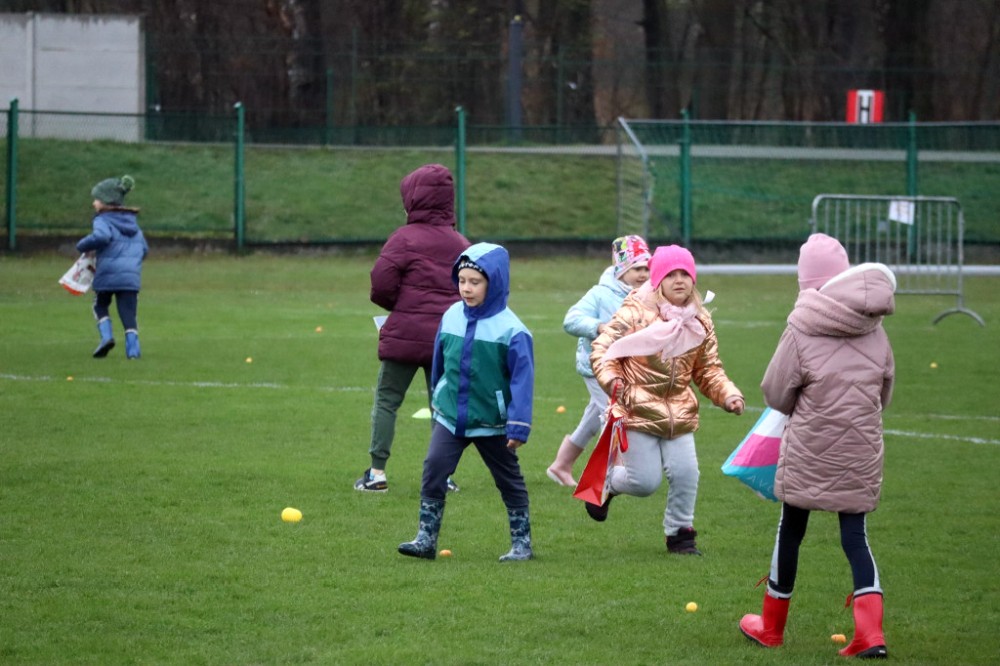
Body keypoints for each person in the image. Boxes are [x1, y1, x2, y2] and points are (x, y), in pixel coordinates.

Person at [738, 233, 895, 659]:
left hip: (810, 446)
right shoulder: (875, 326)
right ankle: (871, 633)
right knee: (855, 536)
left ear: (805, 280)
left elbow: (775, 392)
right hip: (862, 448)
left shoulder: (802, 325)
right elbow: (885, 392)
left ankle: (771, 626)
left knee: (790, 531)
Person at [588, 245, 745, 555]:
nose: (679, 280)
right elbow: (604, 351)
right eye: (671, 274)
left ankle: (680, 534)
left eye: (685, 274)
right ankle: (607, 484)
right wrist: (616, 384)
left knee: (687, 473)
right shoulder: (634, 312)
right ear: (657, 280)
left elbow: (709, 369)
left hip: (679, 412)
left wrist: (728, 393)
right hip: (638, 409)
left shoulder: (700, 320)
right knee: (645, 483)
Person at [398, 242, 535, 562]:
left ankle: (522, 543)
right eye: (462, 281)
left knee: (508, 480)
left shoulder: (513, 330)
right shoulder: (451, 316)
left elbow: (522, 382)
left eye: (475, 282)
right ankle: (425, 539)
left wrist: (517, 424)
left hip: (493, 422)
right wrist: (440, 400)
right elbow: (439, 362)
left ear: (495, 282)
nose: (467, 288)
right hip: (451, 418)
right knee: (434, 468)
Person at [354, 164, 470, 493]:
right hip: (446, 338)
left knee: (388, 399)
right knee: (443, 405)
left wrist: (400, 308)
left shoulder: (403, 239)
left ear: (414, 199)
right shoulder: (460, 242)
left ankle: (377, 473)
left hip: (405, 333)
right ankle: (443, 476)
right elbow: (472, 288)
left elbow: (380, 282)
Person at [546, 235, 651, 487]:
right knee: (616, 415)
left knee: (595, 416)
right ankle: (610, 475)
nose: (643, 274)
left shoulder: (647, 295)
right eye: (637, 268)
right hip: (597, 367)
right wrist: (599, 326)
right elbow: (571, 319)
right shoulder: (601, 294)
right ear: (621, 269)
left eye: (647, 268)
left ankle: (561, 465)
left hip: (626, 368)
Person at [76, 174, 148, 359]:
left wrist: (82, 245)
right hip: (131, 277)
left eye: (97, 199)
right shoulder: (133, 223)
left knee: (100, 305)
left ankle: (106, 337)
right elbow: (144, 249)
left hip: (107, 272)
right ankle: (133, 351)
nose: (94, 203)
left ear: (106, 202)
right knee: (128, 312)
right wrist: (131, 263)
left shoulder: (102, 220)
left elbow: (101, 237)